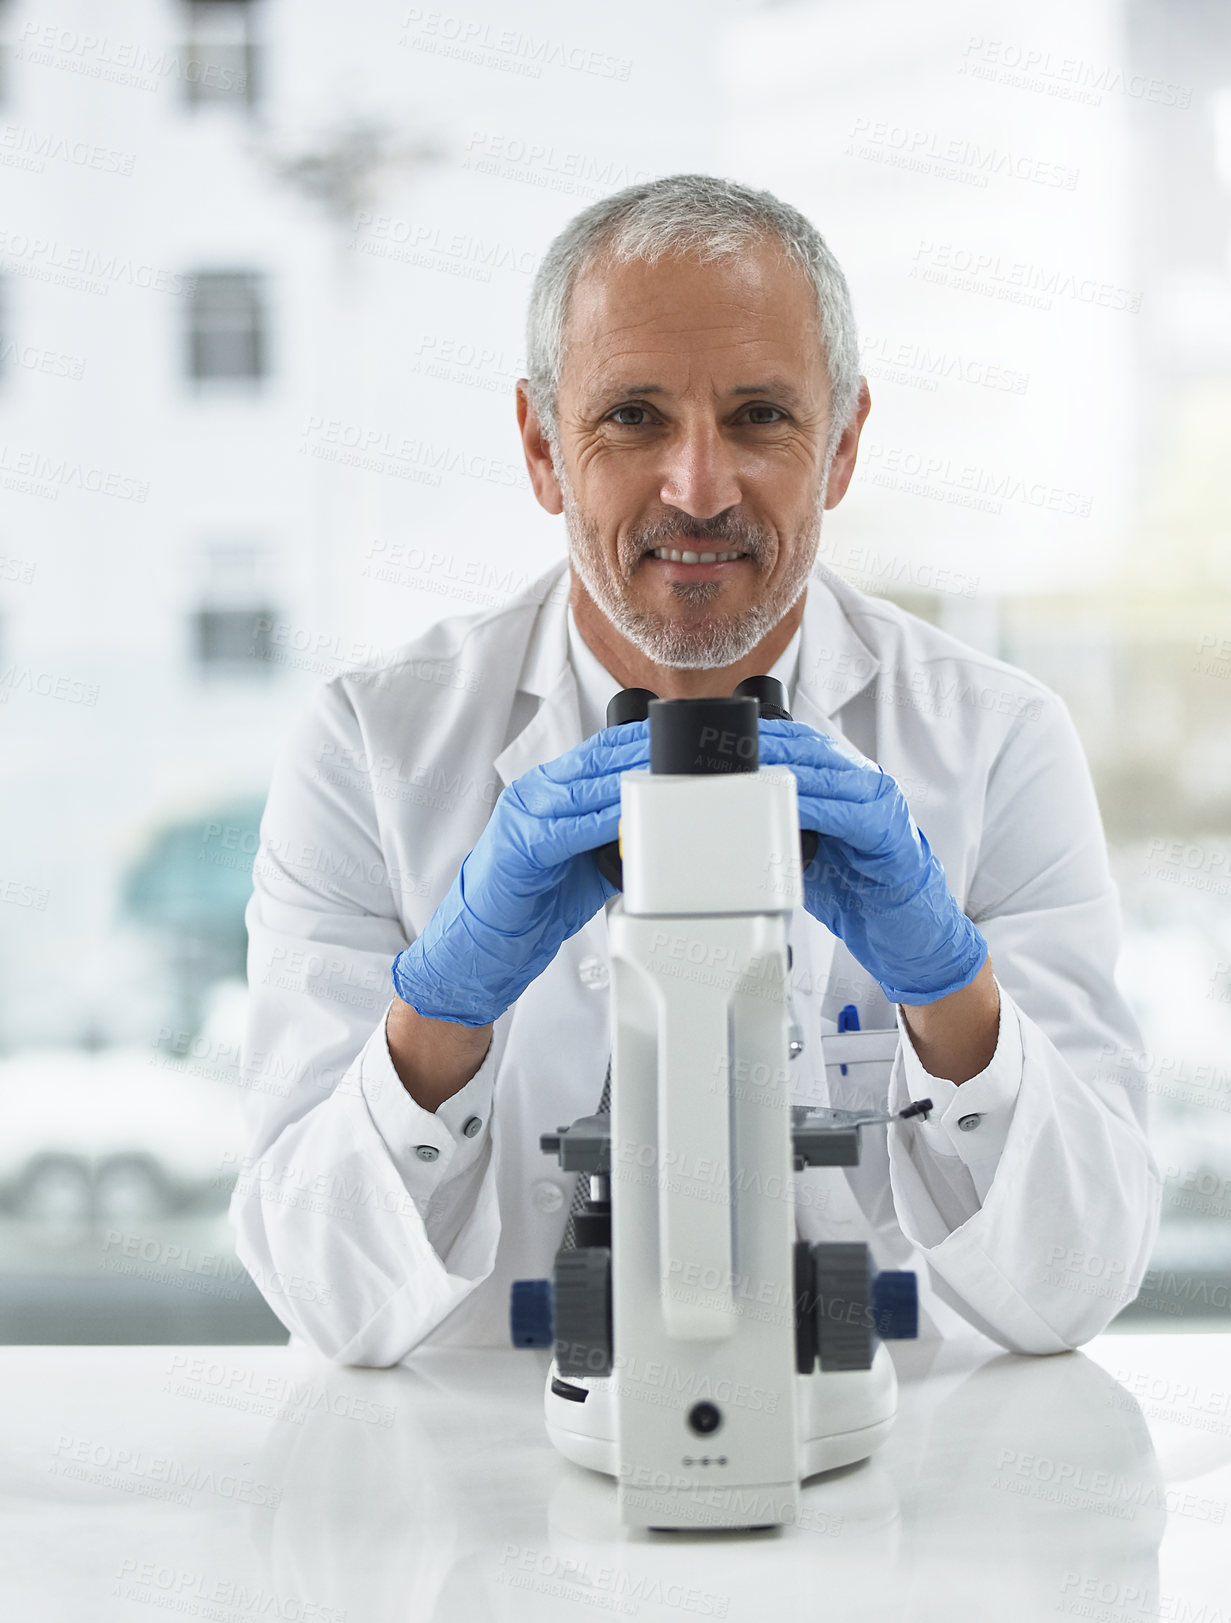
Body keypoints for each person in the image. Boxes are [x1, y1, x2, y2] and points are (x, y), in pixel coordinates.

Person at [230, 175, 1159, 1364]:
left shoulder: (996, 739)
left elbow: (1075, 1284)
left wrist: (955, 1004)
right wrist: (437, 1019)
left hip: (881, 1506)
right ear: (540, 448)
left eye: (762, 414)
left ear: (842, 444)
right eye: (632, 416)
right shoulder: (370, 747)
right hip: (491, 1511)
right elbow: (325, 1304)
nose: (700, 486)